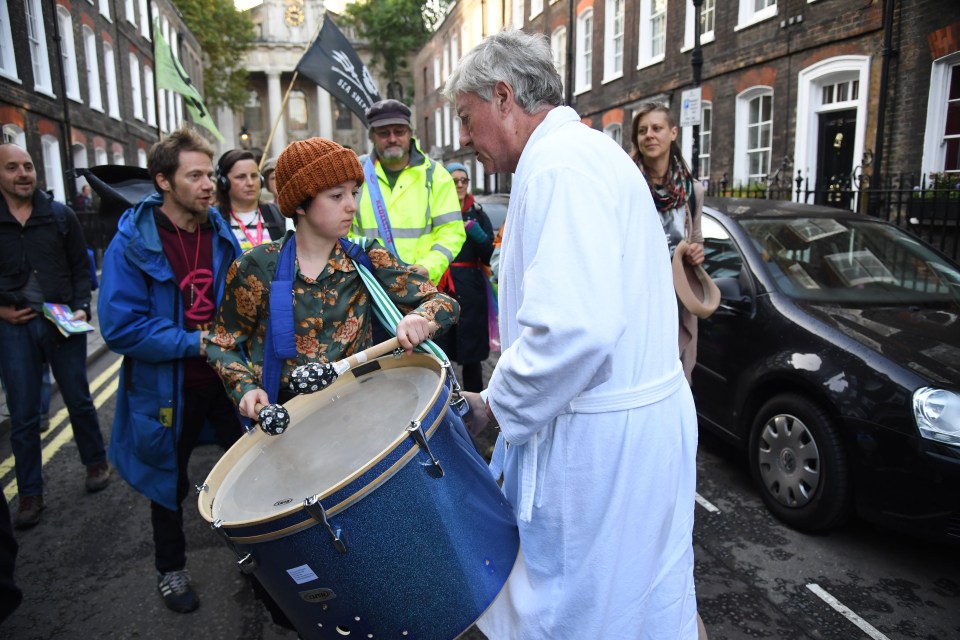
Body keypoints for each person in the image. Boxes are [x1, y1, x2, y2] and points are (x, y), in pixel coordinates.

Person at [443, 30, 701, 638]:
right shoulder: (583, 154)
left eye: (465, 117)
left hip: (604, 448)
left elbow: (573, 330)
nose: (461, 138)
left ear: (503, 98)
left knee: (588, 614)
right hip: (631, 432)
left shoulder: (562, 168)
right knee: (645, 602)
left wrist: (495, 409)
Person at [97, 126, 244, 614]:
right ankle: (171, 569)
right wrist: (193, 342)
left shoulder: (219, 231)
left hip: (224, 382)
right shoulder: (132, 243)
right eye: (196, 175)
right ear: (163, 181)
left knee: (248, 472)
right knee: (168, 483)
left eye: (210, 175)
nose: (209, 184)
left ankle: (263, 561)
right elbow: (121, 328)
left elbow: (241, 300)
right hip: (167, 389)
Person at [205, 136, 458, 417]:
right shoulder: (256, 266)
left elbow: (444, 303)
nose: (351, 205)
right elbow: (221, 341)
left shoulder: (367, 256)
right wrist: (245, 387)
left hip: (362, 411)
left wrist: (420, 318)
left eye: (354, 193)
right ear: (300, 205)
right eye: (337, 196)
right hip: (290, 418)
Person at [0, 143, 111, 531]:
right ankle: (31, 492)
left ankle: (95, 462)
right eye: (12, 168)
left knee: (79, 399)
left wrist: (82, 306)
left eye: (28, 166)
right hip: (14, 327)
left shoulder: (60, 216)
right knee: (25, 414)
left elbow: (82, 268)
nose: (24, 173)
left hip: (62, 322)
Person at [351, 99, 465, 285]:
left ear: (410, 133)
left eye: (399, 131)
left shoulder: (436, 176)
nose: (392, 138)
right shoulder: (354, 175)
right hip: (367, 285)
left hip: (418, 286)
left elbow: (451, 232)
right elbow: (340, 230)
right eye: (384, 133)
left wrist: (429, 266)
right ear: (372, 136)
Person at [631, 102, 706, 384]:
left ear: (673, 133)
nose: (649, 135)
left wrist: (698, 252)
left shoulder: (692, 190)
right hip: (639, 297)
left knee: (676, 377)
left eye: (656, 128)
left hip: (677, 299)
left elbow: (695, 240)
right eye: (642, 130)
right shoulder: (628, 183)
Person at [432, 162, 494, 392]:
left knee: (472, 355)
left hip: (471, 291)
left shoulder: (477, 213)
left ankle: (475, 403)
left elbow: (491, 255)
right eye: (454, 180)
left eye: (463, 180)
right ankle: (444, 405)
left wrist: (478, 235)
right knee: (440, 353)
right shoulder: (434, 209)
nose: (459, 184)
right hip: (441, 288)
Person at [215, 149, 286, 251]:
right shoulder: (215, 220)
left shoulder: (279, 214)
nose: (250, 183)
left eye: (254, 176)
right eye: (241, 177)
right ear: (224, 182)